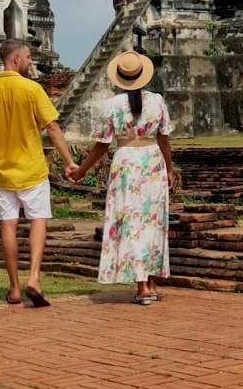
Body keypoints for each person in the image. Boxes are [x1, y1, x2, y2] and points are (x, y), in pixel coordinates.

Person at [0, 37, 76, 307]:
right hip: (31, 170)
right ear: (16, 59)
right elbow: (52, 128)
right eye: (28, 57)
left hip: (1, 171)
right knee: (38, 219)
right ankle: (34, 277)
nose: (31, 62)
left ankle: (14, 288)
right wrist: (69, 161)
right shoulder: (32, 89)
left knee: (8, 224)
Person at [68, 50, 178, 305]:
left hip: (126, 161)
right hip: (152, 160)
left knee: (131, 221)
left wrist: (81, 170)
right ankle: (149, 281)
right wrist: (170, 169)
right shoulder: (157, 101)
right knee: (153, 222)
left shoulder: (112, 105)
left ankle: (142, 285)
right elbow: (164, 140)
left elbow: (101, 145)